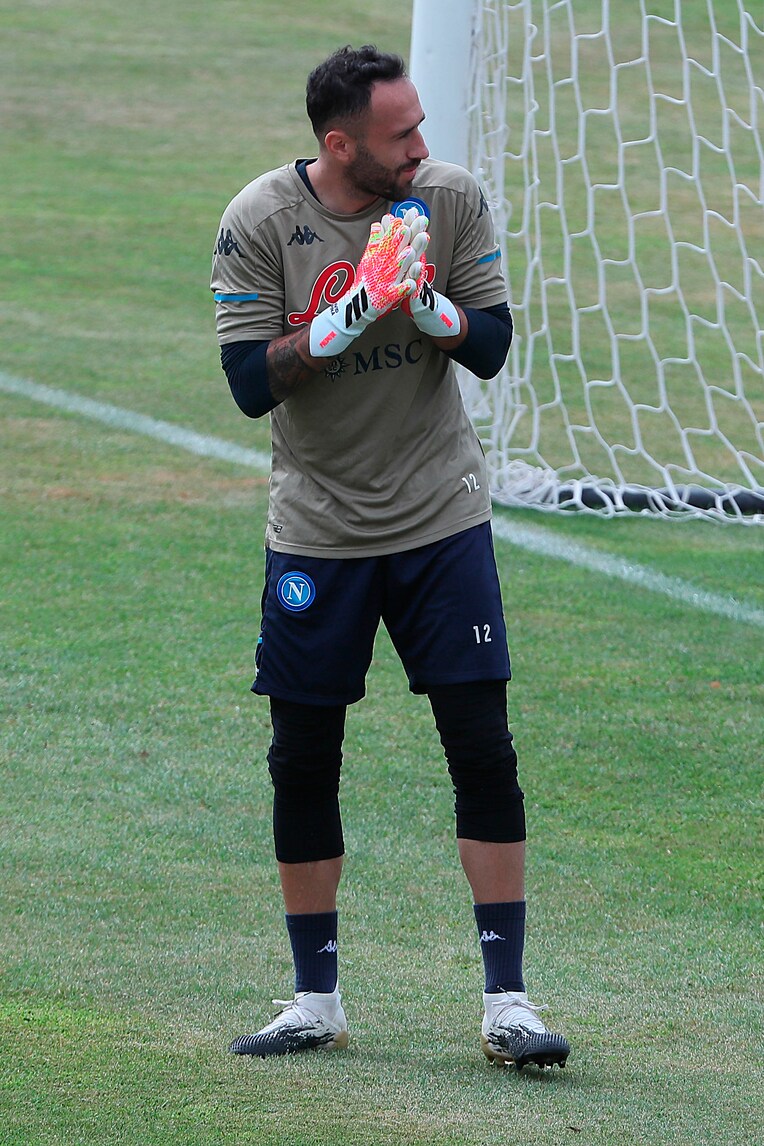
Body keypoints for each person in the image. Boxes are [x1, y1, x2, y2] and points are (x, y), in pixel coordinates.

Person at [210, 43, 570, 1071]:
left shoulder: (447, 200)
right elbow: (248, 384)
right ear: (339, 145)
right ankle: (314, 1000)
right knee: (302, 756)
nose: (420, 146)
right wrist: (353, 311)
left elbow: (490, 347)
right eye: (399, 134)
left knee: (482, 746)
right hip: (317, 529)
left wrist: (426, 305)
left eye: (419, 127)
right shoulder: (260, 221)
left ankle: (507, 1004)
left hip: (439, 514)